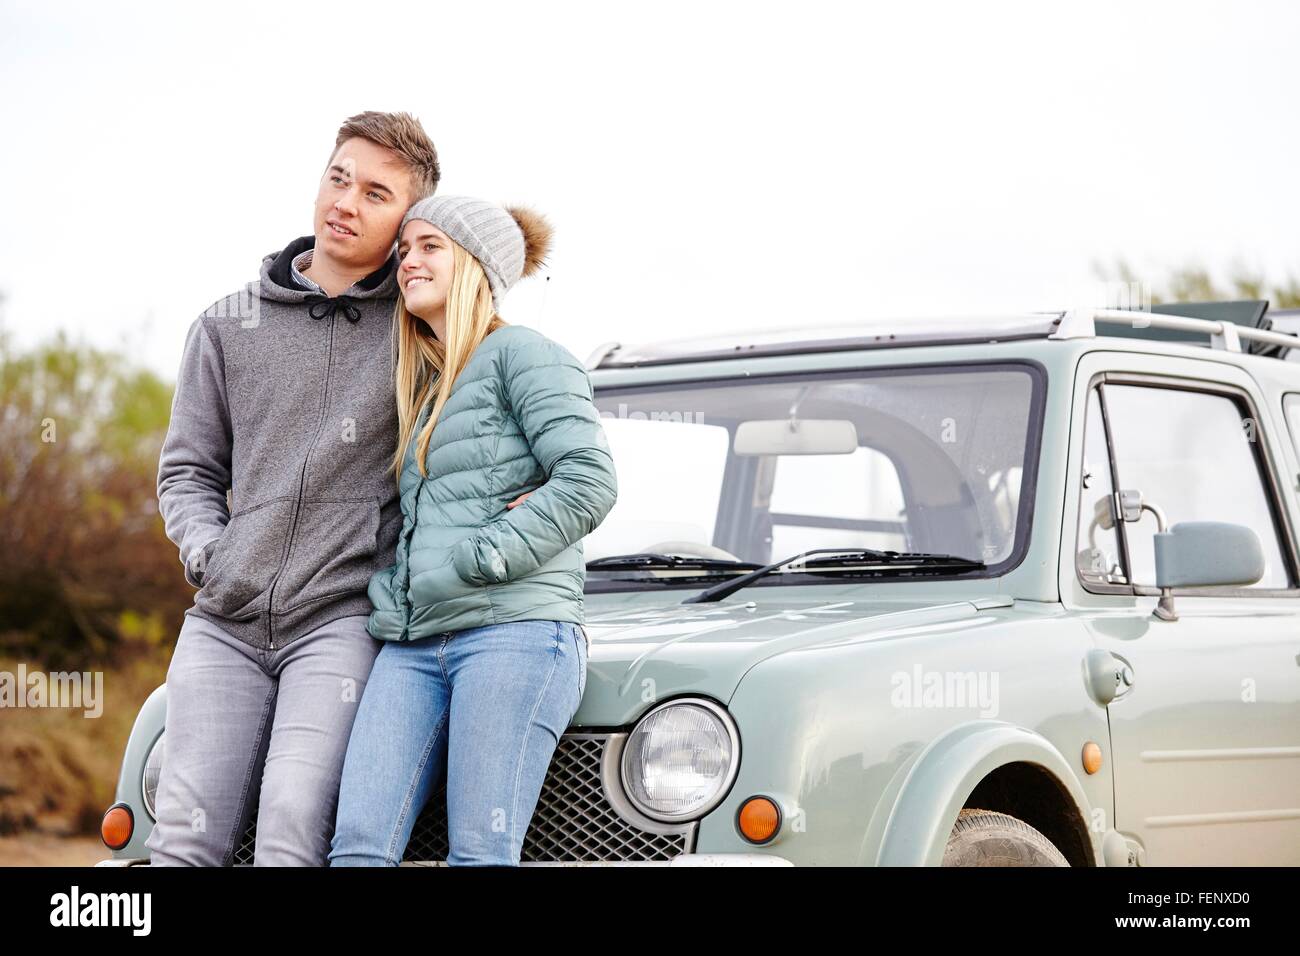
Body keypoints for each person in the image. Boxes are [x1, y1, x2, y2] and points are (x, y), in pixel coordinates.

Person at [147, 111, 440, 866]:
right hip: (223, 618)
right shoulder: (224, 326)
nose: (345, 202)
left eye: (376, 194)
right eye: (338, 178)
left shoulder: (419, 335)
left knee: (290, 822)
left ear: (408, 222)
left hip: (337, 621)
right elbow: (188, 470)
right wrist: (210, 552)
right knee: (184, 836)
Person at [328, 195, 618, 866]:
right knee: (358, 849)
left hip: (513, 633)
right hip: (413, 644)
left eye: (431, 245)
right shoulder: (425, 385)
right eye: (404, 250)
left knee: (480, 854)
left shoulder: (525, 354)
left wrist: (482, 558)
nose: (409, 261)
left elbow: (589, 479)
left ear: (477, 265)